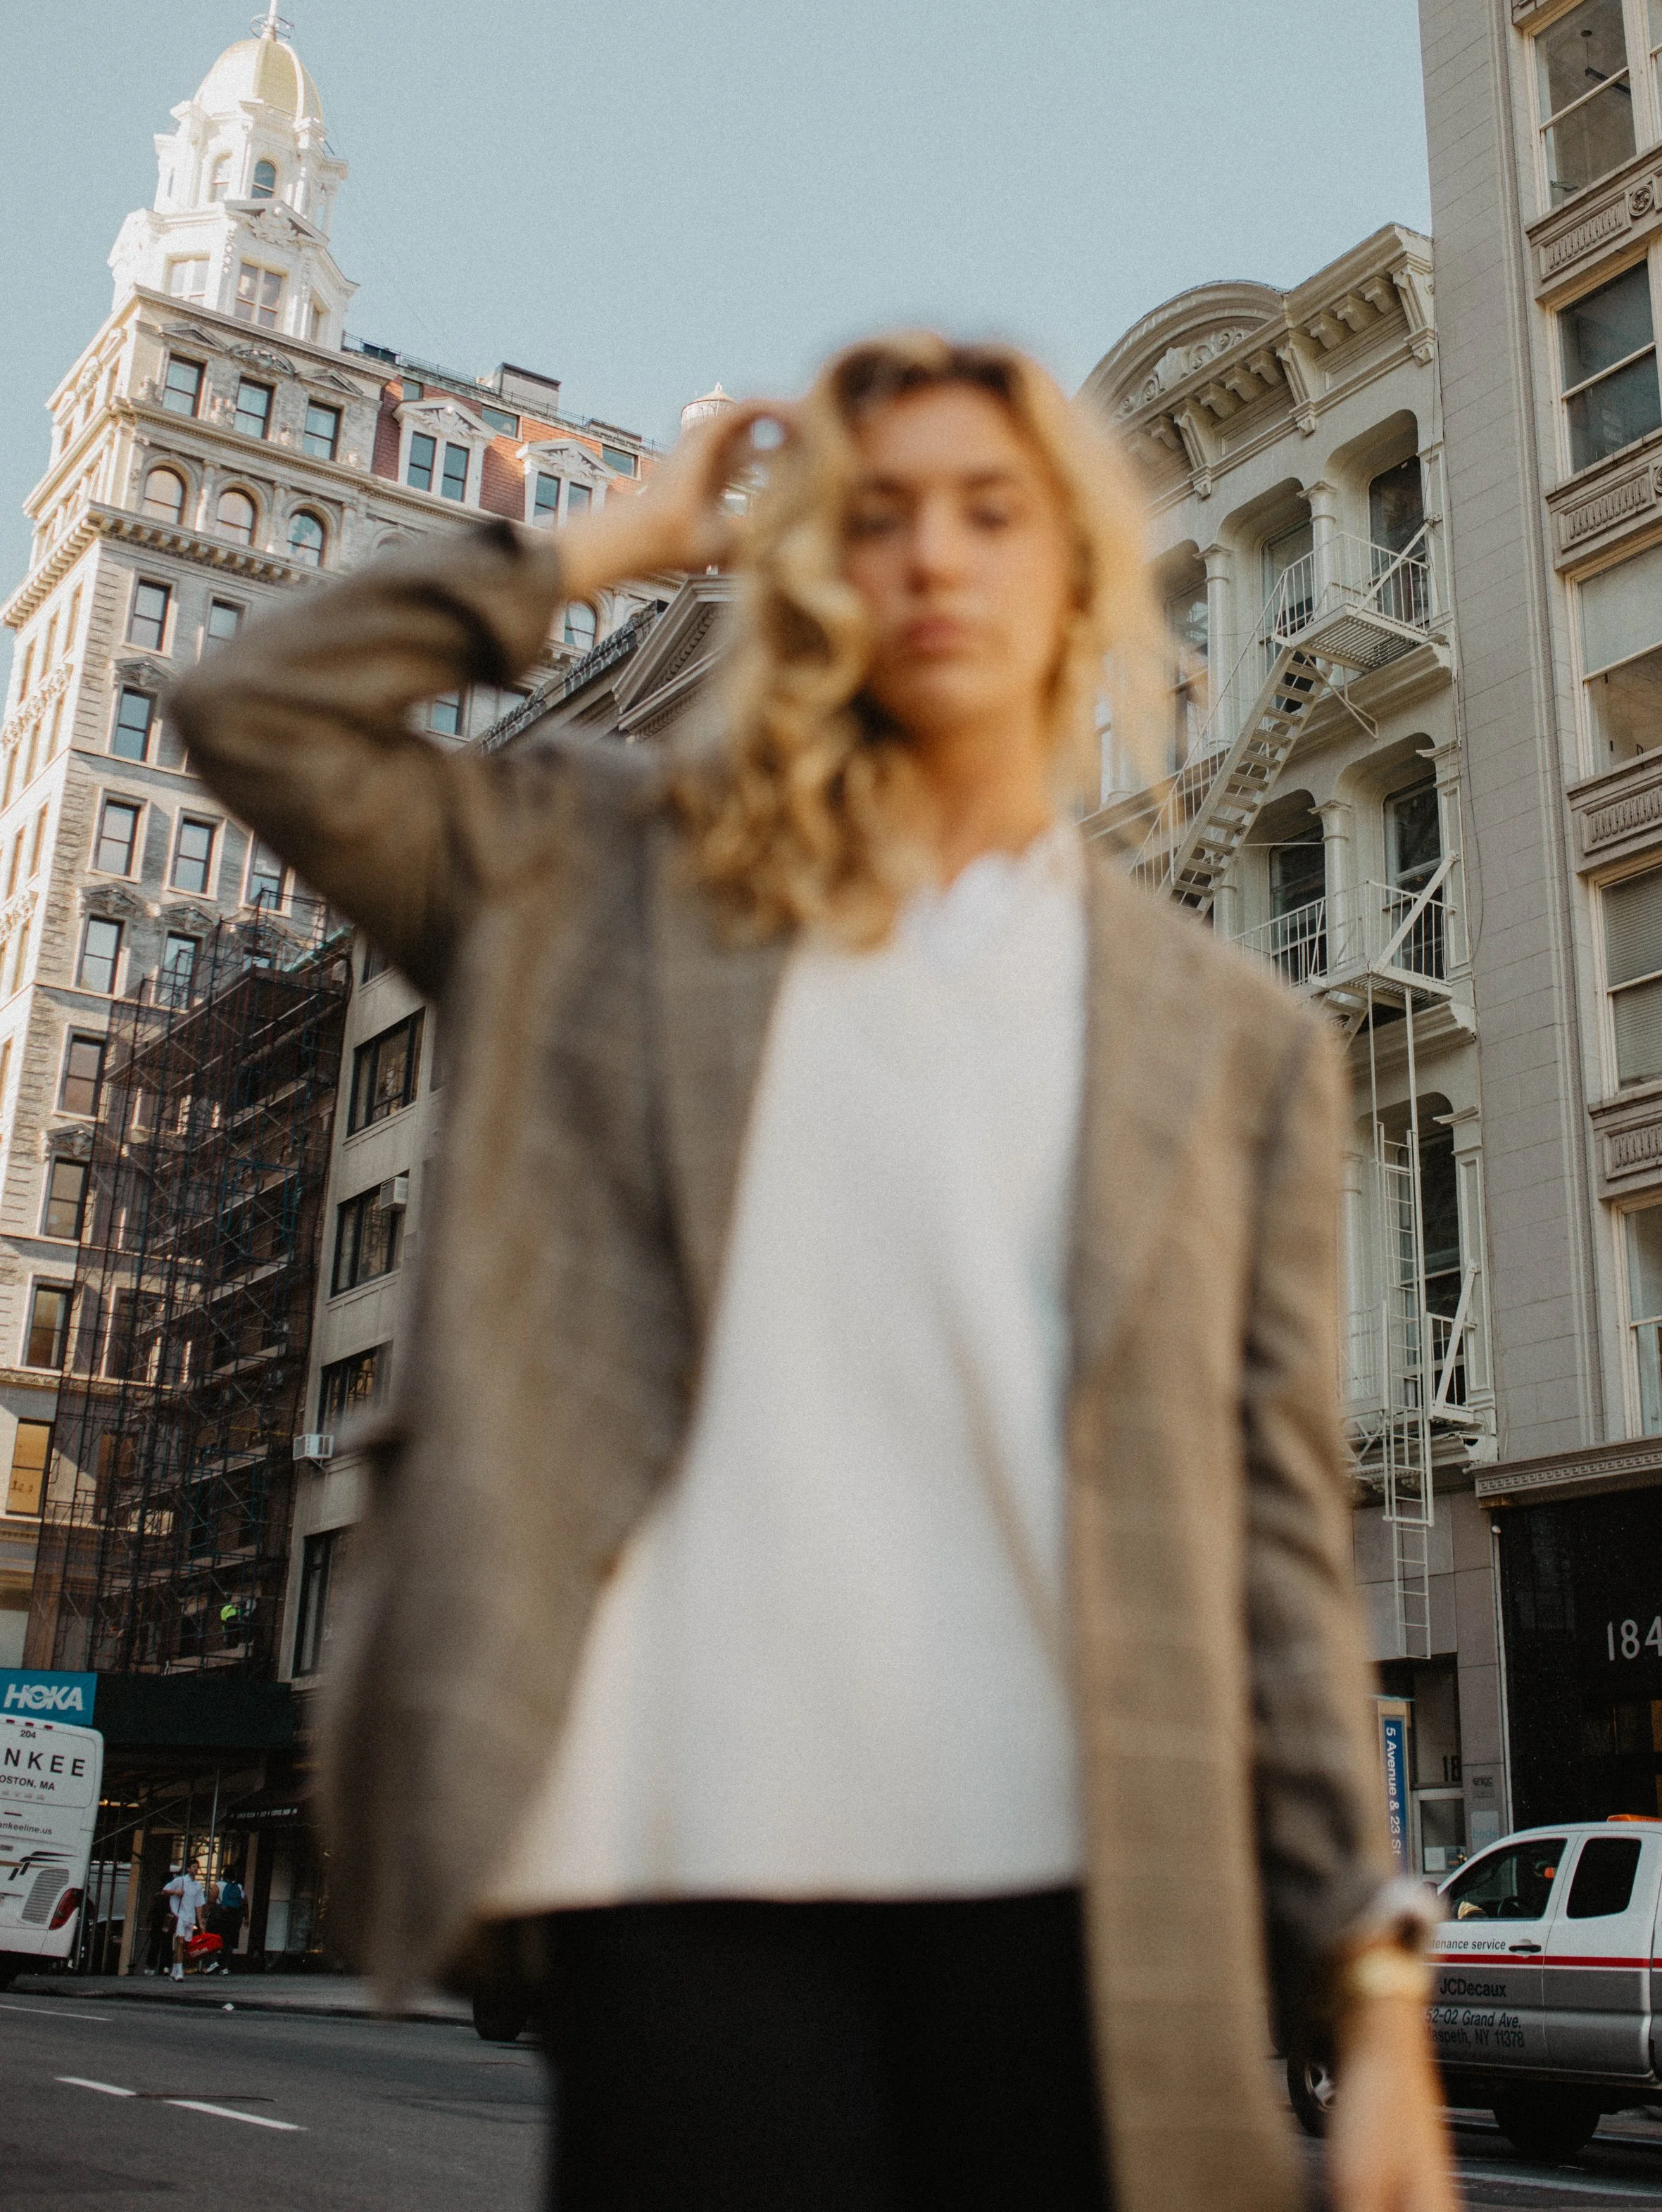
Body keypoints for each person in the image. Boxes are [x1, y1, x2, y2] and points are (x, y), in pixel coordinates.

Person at [173, 335, 1457, 2212]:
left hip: (1088, 1884)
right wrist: (614, 542)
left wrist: (1378, 1999)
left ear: (1079, 579)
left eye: (987, 510)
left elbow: (1270, 1539)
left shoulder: (1222, 1037)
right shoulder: (604, 878)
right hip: (690, 1856)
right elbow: (255, 708)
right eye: (873, 518)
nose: (930, 555)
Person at [164, 1863, 204, 1980]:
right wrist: (176, 1893)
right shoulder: (180, 1881)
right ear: (188, 1869)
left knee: (186, 1944)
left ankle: (175, 1969)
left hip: (190, 1918)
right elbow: (165, 1890)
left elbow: (199, 1905)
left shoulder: (198, 1886)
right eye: (193, 1867)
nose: (195, 1869)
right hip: (180, 1915)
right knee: (180, 1942)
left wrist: (200, 1922)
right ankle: (180, 1972)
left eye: (197, 1867)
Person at [214, 1867, 248, 1969]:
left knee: (215, 1937)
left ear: (224, 1875)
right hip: (235, 1916)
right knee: (229, 1942)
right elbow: (245, 1903)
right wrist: (247, 1918)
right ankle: (225, 1966)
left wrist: (203, 1915)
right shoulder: (239, 1887)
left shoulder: (218, 1885)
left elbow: (211, 1901)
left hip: (221, 1914)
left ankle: (213, 1962)